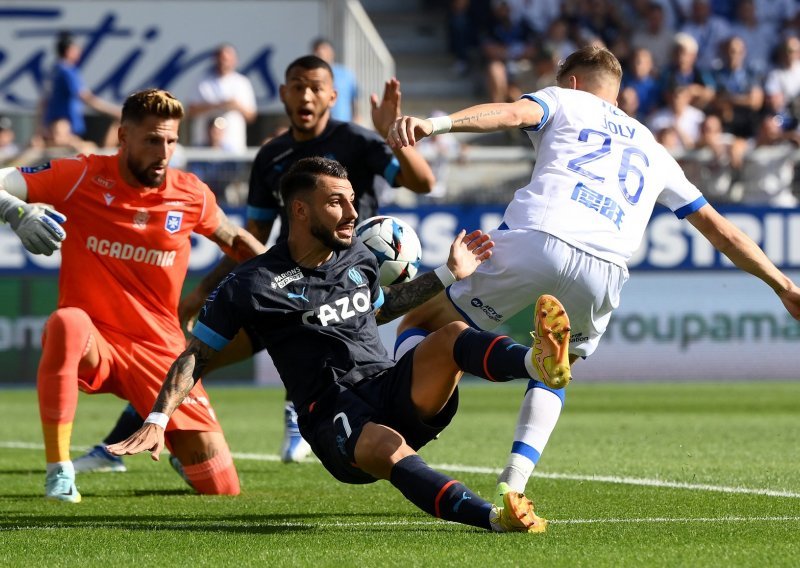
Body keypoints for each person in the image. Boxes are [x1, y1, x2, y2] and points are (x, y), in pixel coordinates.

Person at [385, 45, 800, 507]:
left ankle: (397, 415)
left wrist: (435, 125)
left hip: (538, 238)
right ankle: (515, 482)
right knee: (559, 370)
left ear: (575, 82)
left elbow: (507, 112)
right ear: (617, 95)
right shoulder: (655, 148)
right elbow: (721, 231)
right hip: (605, 269)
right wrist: (782, 284)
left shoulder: (564, 99)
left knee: (421, 320)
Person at [108, 156, 560, 534]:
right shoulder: (249, 284)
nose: (351, 213)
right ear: (301, 211)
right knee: (387, 447)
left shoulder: (360, 257)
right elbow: (195, 355)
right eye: (336, 202)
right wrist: (158, 417)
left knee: (452, 337)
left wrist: (447, 274)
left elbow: (379, 309)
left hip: (388, 387)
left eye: (350, 200)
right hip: (331, 414)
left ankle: (535, 364)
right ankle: (496, 519)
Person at [79, 54, 436, 471]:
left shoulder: (358, 142)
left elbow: (422, 183)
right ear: (283, 93)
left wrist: (391, 136)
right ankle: (126, 441)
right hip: (282, 286)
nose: (305, 95)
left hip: (345, 281)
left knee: (323, 352)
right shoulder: (272, 157)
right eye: (297, 85)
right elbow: (251, 241)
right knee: (198, 356)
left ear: (332, 96)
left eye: (315, 87)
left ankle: (301, 418)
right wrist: (200, 294)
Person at [0, 88, 266, 502]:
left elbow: (236, 241)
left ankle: (180, 449)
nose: (164, 152)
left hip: (160, 348)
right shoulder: (82, 175)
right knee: (66, 322)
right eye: (152, 140)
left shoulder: (190, 192)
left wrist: (293, 276)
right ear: (123, 137)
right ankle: (59, 471)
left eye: (172, 141)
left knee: (221, 488)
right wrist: (16, 211)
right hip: (97, 342)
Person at [41, 32, 121, 144]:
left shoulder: (54, 70)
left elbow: (43, 102)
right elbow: (85, 97)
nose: (80, 51)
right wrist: (114, 111)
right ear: (69, 50)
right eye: (77, 48)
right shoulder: (67, 70)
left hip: (54, 126)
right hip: (64, 127)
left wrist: (41, 127)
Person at [188, 44, 257, 153]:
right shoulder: (202, 80)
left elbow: (251, 116)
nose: (223, 62)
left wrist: (236, 106)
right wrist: (217, 105)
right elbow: (191, 111)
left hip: (233, 145)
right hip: (203, 144)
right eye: (221, 58)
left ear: (235, 60)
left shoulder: (242, 82)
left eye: (227, 59)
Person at [312, 38, 359, 123]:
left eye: (323, 50)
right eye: (317, 51)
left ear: (331, 52)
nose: (320, 54)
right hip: (320, 125)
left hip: (343, 124)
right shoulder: (312, 75)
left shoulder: (346, 74)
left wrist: (356, 119)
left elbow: (354, 100)